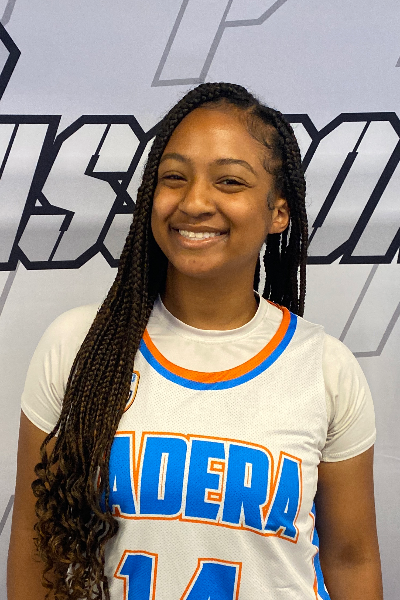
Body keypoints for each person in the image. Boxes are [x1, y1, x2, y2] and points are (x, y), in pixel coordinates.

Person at [7, 82, 383, 600]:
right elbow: (38, 547)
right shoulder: (78, 347)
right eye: (174, 177)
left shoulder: (324, 369)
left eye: (229, 181)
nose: (195, 201)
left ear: (279, 211)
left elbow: (351, 558)